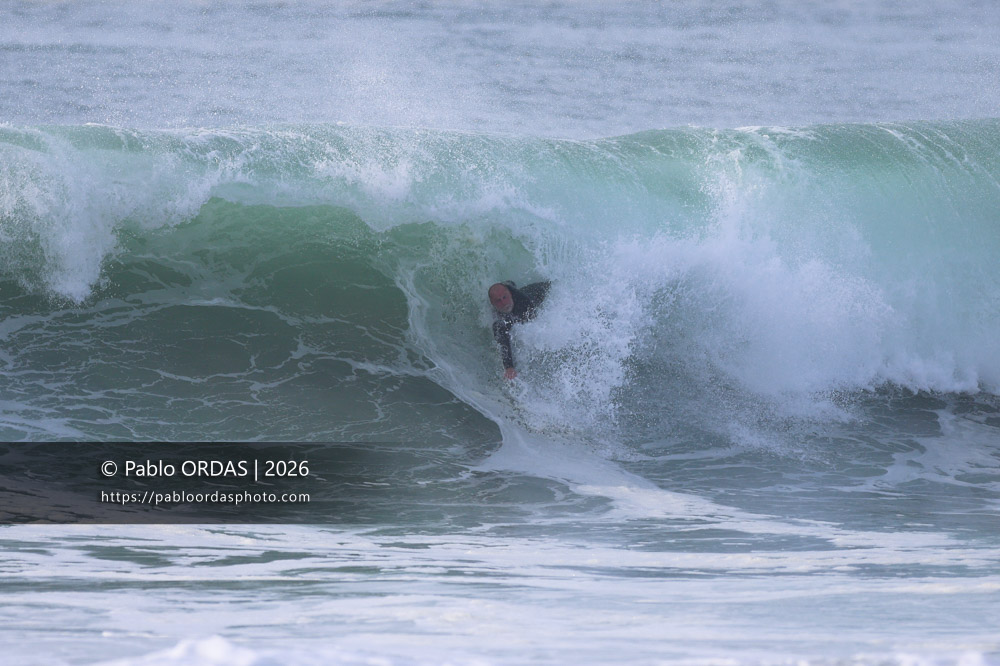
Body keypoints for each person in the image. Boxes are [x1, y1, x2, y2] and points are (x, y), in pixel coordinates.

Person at [488, 280, 551, 380]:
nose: (503, 303)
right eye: (498, 301)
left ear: (509, 293)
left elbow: (534, 323)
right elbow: (502, 339)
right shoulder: (499, 319)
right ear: (492, 303)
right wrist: (509, 367)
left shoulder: (524, 305)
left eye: (504, 297)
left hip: (539, 292)